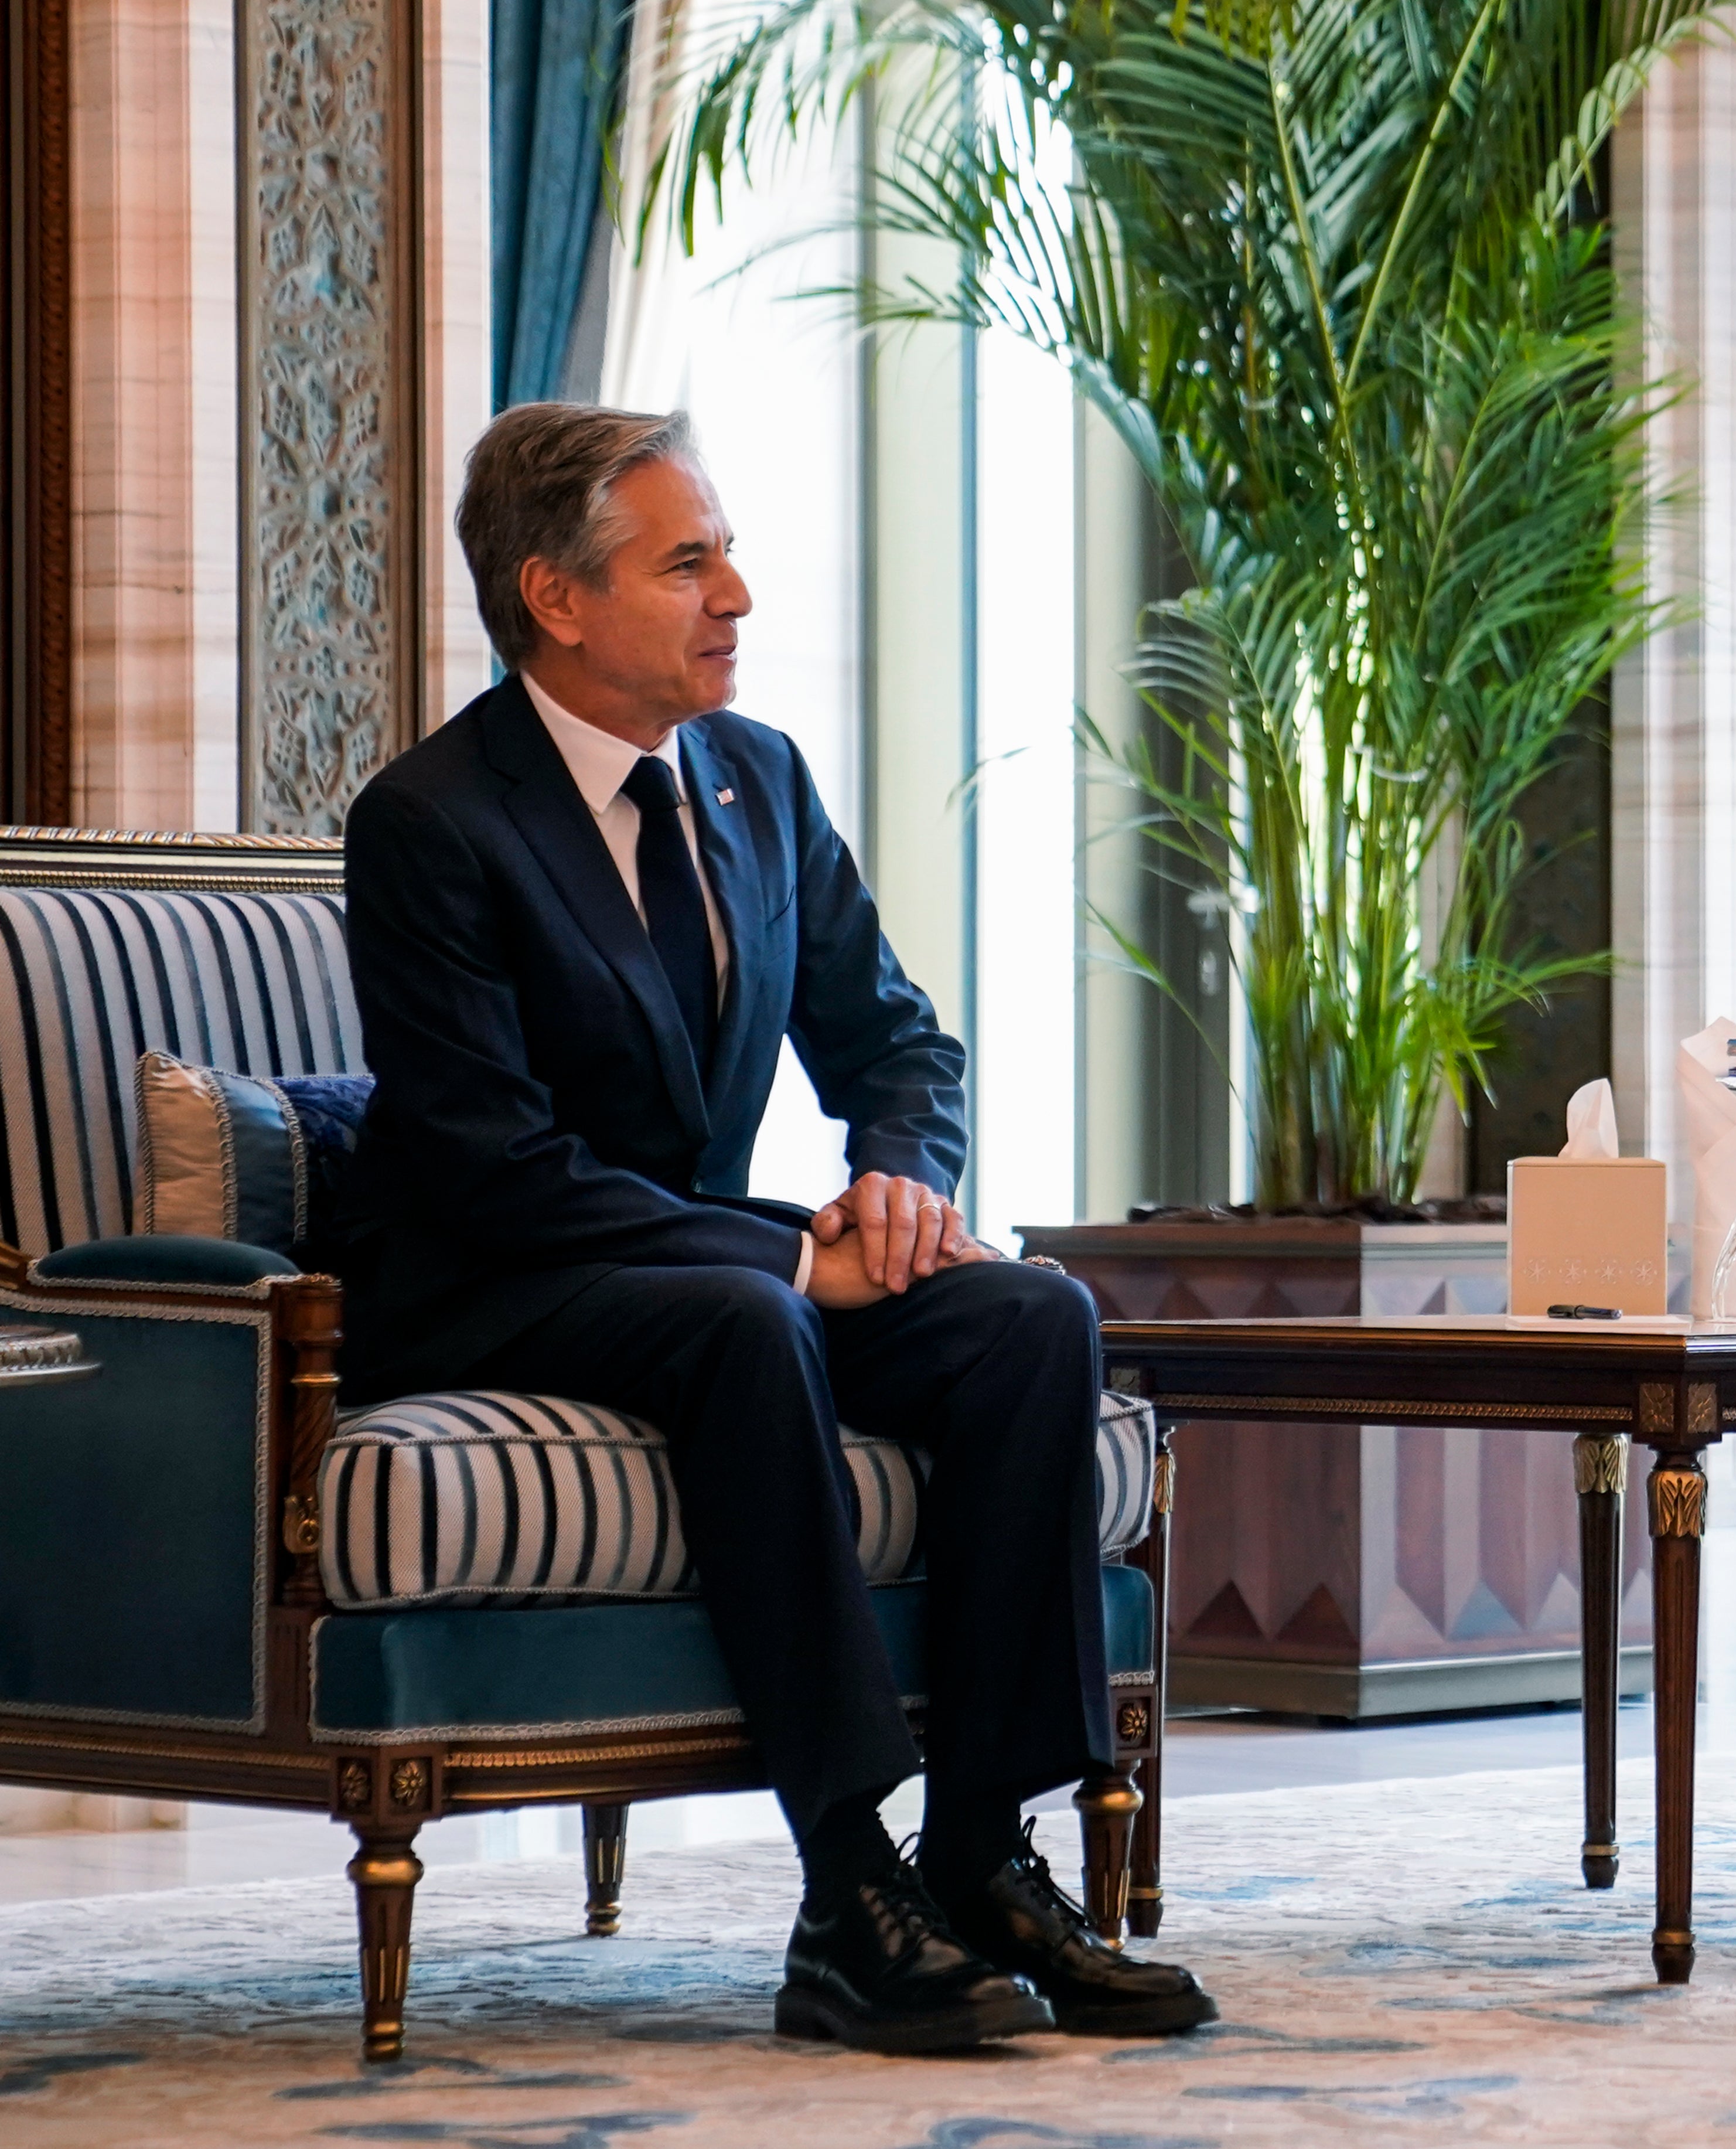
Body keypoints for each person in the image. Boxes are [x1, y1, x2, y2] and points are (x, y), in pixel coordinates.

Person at [338, 402, 1217, 2053]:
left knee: (1029, 1315)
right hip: (489, 1279)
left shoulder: (754, 777)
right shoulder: (433, 821)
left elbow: (896, 1039)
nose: (737, 592)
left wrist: (896, 1176)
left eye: (728, 551)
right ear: (558, 597)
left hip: (682, 1260)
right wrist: (780, 1257)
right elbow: (490, 1164)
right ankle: (844, 1887)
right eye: (690, 561)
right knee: (751, 1319)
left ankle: (978, 1857)